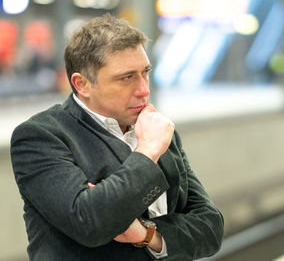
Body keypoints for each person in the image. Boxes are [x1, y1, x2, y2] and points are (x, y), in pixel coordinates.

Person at [10, 14, 224, 261]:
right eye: (127, 78)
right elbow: (90, 222)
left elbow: (211, 228)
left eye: (145, 73)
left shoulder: (157, 129)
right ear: (82, 84)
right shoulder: (41, 136)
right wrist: (147, 152)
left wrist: (146, 234)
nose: (144, 89)